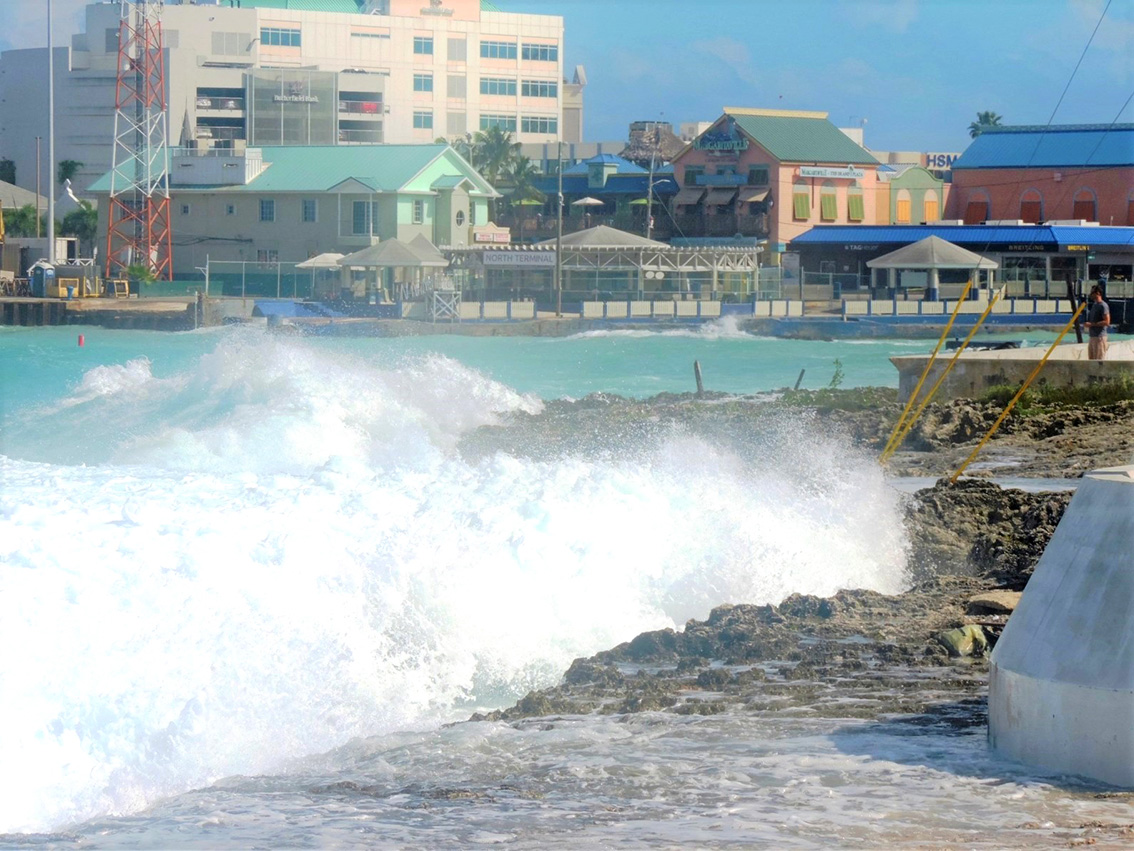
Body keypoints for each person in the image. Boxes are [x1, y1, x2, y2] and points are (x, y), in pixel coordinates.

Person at [1084, 285, 1110, 360]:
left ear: (1098, 293)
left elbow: (1107, 322)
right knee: (1091, 360)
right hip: (1092, 336)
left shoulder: (1103, 306)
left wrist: (1092, 324)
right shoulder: (1094, 305)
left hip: (1100, 337)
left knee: (1099, 360)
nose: (1091, 294)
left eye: (1092, 293)